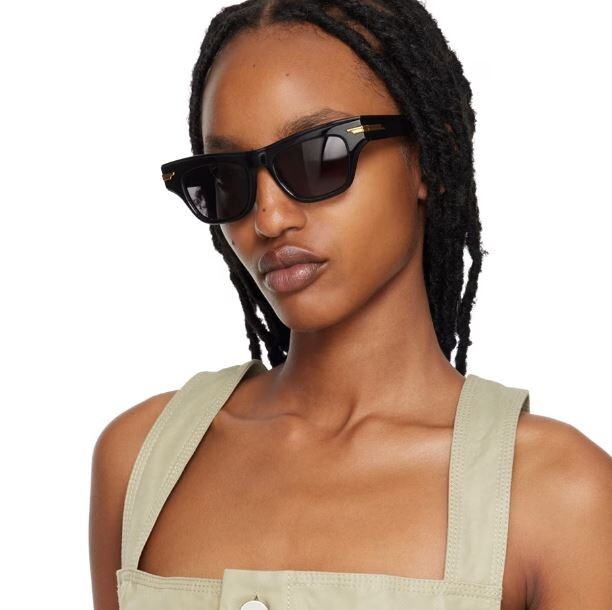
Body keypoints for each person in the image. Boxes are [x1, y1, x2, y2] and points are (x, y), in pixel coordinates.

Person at [89, 1, 612, 609]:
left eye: (320, 156)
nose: (269, 217)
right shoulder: (141, 461)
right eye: (228, 178)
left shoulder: (557, 496)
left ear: (429, 156)